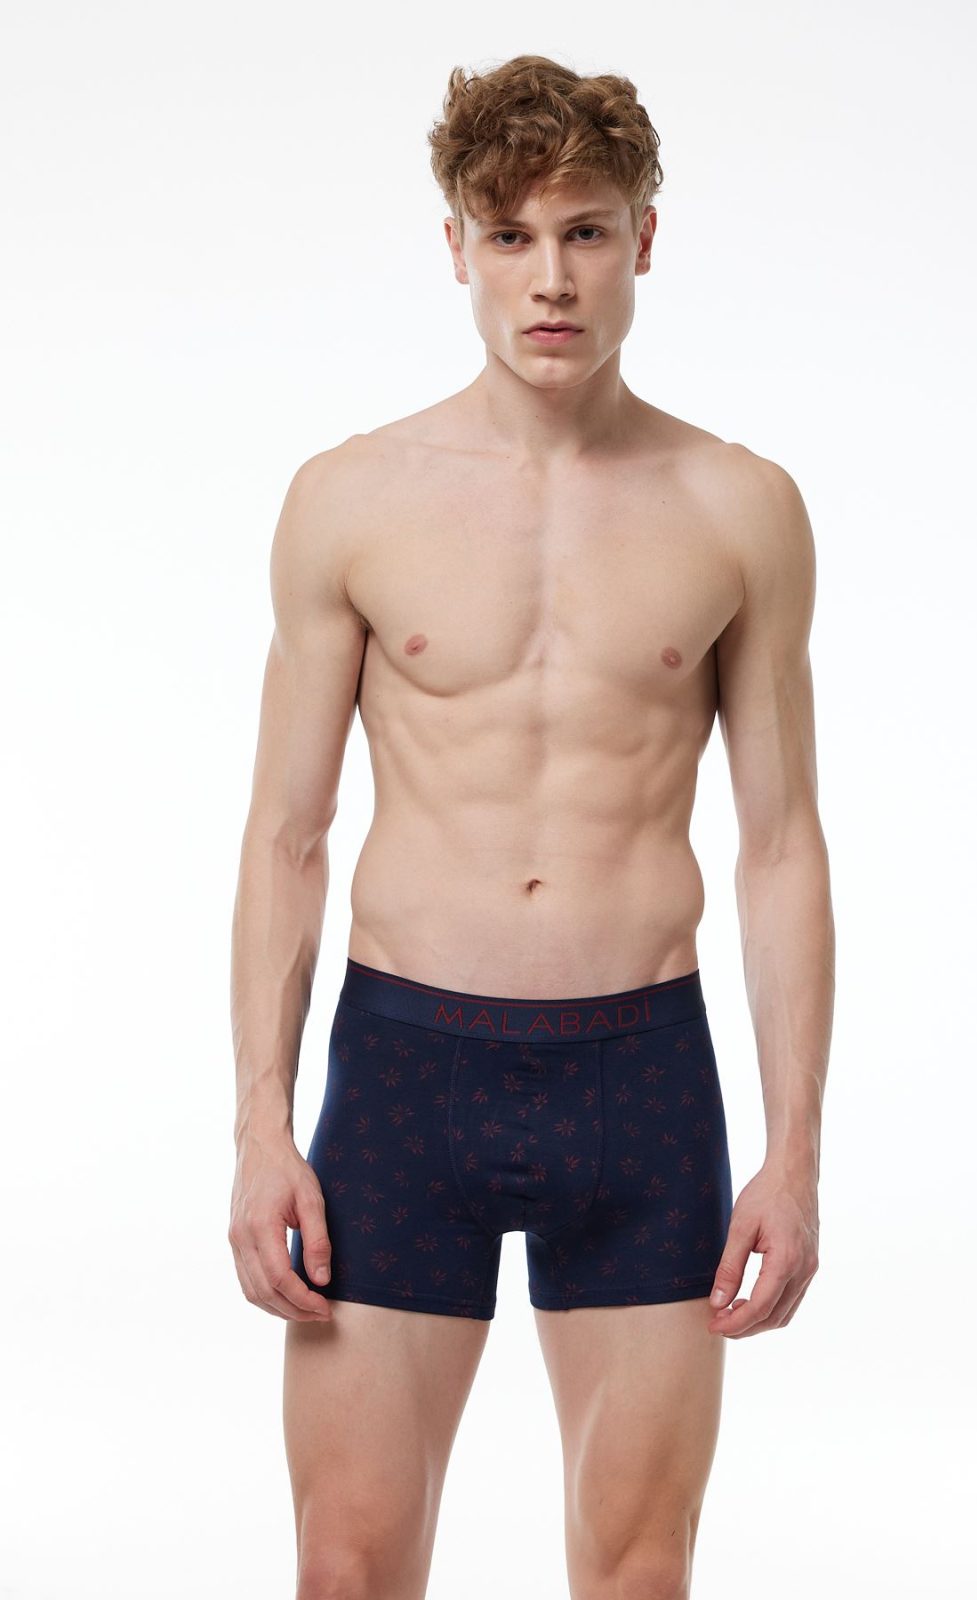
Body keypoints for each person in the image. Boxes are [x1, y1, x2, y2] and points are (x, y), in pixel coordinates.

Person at [229, 52, 834, 1600]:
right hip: (404, 1076)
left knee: (638, 1573)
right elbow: (287, 836)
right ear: (456, 247)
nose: (549, 279)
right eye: (510, 235)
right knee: (348, 1567)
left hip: (641, 1081)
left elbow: (781, 844)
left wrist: (794, 1155)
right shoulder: (350, 499)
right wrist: (259, 1129)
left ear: (645, 237)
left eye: (584, 231)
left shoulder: (739, 507)